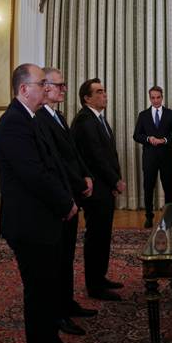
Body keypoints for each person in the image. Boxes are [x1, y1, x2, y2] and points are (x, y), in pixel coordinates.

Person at [0, 63, 85, 343]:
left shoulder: (31, 119)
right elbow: (33, 174)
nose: (47, 87)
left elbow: (53, 166)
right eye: (41, 83)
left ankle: (53, 342)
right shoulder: (12, 123)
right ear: (23, 89)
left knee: (49, 288)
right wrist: (65, 202)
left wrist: (68, 199)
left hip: (45, 220)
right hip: (29, 225)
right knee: (38, 292)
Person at [35, 68, 98, 336]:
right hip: (60, 198)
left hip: (72, 193)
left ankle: (68, 302)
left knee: (68, 255)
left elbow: (73, 153)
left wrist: (85, 175)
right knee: (57, 260)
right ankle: (58, 312)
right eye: (59, 85)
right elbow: (56, 162)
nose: (64, 89)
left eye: (64, 85)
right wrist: (79, 183)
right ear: (46, 87)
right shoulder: (39, 118)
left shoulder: (58, 116)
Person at [71, 78, 126, 301]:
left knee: (103, 236)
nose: (105, 95)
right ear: (87, 98)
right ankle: (94, 286)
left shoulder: (98, 118)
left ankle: (100, 278)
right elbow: (96, 157)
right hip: (95, 189)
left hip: (105, 186)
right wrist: (115, 181)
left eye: (104, 91)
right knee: (96, 237)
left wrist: (115, 180)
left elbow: (110, 154)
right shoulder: (84, 120)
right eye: (99, 92)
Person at [133, 85, 172, 228]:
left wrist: (164, 140)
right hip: (149, 158)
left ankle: (169, 216)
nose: (155, 100)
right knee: (148, 187)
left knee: (168, 188)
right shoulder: (143, 115)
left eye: (158, 97)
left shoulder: (170, 114)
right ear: (150, 98)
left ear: (162, 97)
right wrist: (149, 139)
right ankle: (149, 216)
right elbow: (136, 135)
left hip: (166, 157)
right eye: (153, 98)